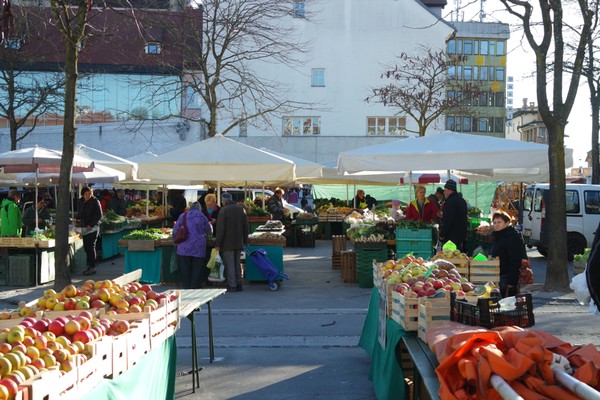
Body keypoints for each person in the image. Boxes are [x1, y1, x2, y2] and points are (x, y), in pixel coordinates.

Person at [172, 202, 213, 289]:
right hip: (199, 247)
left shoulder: (183, 215)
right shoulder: (202, 216)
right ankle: (195, 286)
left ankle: (186, 287)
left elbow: (175, 230)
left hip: (183, 247)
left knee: (185, 269)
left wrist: (175, 239)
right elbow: (209, 231)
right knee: (197, 269)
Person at [215, 192, 249, 292]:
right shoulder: (240, 209)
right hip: (239, 241)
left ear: (224, 201)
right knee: (237, 264)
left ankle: (232, 285)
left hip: (227, 242)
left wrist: (218, 244)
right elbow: (245, 226)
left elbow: (220, 229)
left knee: (230, 264)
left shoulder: (223, 210)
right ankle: (239, 284)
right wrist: (245, 241)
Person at [490, 211, 526, 298]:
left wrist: (511, 282)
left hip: (506, 277)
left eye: (499, 222)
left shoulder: (512, 237)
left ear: (507, 223)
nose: (496, 225)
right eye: (494, 223)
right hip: (498, 276)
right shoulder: (498, 236)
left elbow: (515, 259)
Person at [77, 187, 103, 276]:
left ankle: (92, 267)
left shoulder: (95, 201)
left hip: (93, 228)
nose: (88, 195)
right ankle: (89, 266)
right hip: (84, 227)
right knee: (86, 247)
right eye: (86, 194)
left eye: (90, 193)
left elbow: (99, 215)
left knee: (91, 246)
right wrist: (78, 220)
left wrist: (90, 225)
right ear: (83, 194)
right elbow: (80, 213)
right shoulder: (80, 201)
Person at [439, 179, 468, 251]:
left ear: (450, 190)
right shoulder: (462, 200)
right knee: (459, 258)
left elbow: (448, 220)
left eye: (445, 190)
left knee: (450, 258)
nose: (444, 192)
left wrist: (442, 234)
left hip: (451, 237)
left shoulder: (450, 202)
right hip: (461, 236)